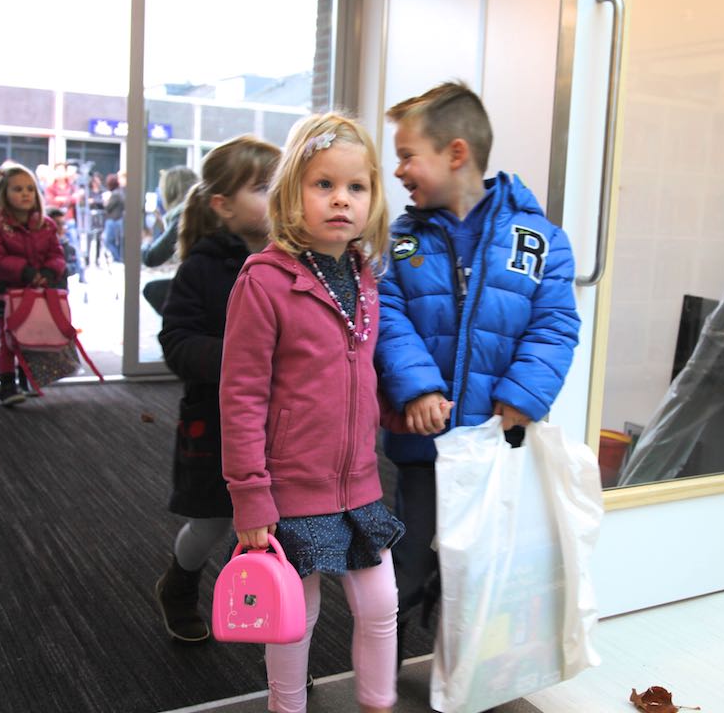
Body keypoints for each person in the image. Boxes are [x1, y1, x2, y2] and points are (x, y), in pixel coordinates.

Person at [375, 81, 581, 644]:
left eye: (407, 155)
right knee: (406, 566)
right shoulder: (400, 241)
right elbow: (387, 316)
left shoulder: (539, 240)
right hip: (425, 444)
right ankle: (383, 673)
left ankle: (467, 675)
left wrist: (522, 396)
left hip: (495, 444)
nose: (399, 171)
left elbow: (555, 325)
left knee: (482, 574)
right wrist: (417, 387)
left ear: (456, 153)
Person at [220, 113, 400, 713]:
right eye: (324, 184)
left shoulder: (364, 275)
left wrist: (394, 412)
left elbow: (359, 373)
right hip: (291, 486)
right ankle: (286, 706)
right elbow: (241, 396)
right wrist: (250, 495)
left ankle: (378, 703)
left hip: (358, 483)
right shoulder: (265, 281)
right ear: (292, 192)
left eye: (356, 187)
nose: (341, 199)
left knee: (381, 604)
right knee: (295, 615)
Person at [154, 136, 280, 642]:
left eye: (281, 185)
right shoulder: (201, 269)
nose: (277, 195)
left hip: (280, 425)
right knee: (212, 523)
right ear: (223, 206)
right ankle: (180, 583)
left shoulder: (296, 262)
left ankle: (271, 619)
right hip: (217, 425)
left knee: (277, 526)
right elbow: (177, 343)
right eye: (262, 188)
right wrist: (239, 359)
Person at [0, 163, 67, 406]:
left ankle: (27, 378)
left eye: (30, 188)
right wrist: (26, 271)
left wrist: (49, 272)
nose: (26, 194)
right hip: (5, 294)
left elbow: (57, 254)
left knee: (31, 337)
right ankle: (7, 385)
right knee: (8, 341)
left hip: (36, 292)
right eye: (18, 189)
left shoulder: (46, 225)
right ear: (3, 193)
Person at [142, 165, 200, 314]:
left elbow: (151, 257)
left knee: (152, 291)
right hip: (208, 282)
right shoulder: (199, 211)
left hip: (201, 287)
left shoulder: (185, 215)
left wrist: (146, 240)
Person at [47, 207, 80, 279]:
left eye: (63, 224)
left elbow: (73, 268)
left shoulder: (69, 248)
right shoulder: (43, 245)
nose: (61, 227)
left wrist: (59, 267)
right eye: (57, 224)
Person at [103, 172, 126, 263]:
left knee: (108, 242)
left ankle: (117, 258)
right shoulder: (120, 192)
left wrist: (106, 201)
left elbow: (108, 207)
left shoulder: (115, 194)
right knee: (117, 242)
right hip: (118, 220)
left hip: (113, 220)